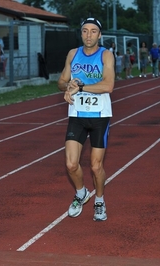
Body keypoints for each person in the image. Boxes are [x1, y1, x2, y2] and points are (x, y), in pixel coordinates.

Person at [57, 17, 114, 221]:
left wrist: (80, 87)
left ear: (99, 35)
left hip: (100, 116)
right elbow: (61, 82)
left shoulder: (106, 55)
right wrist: (68, 86)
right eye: (85, 31)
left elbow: (108, 86)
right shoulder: (73, 54)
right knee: (71, 165)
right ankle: (81, 193)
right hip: (77, 115)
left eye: (93, 31)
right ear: (81, 33)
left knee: (96, 166)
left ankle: (99, 200)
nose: (88, 35)